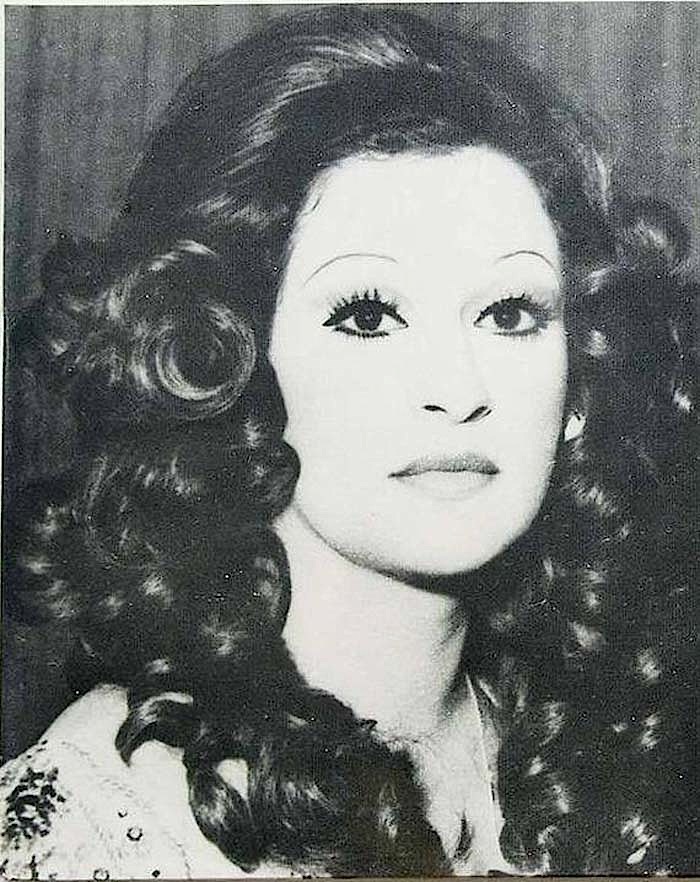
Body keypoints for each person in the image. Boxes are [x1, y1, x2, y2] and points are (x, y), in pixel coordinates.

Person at [2, 7, 697, 879]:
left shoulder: (609, 759)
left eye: (509, 313)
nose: (458, 389)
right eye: (368, 316)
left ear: (578, 389)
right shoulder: (98, 820)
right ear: (227, 364)